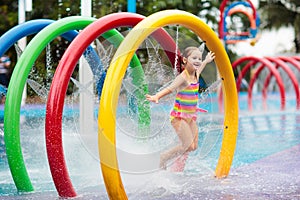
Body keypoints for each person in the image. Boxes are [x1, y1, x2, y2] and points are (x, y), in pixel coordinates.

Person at [146, 46, 215, 169]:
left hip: (190, 117)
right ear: (184, 60)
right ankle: (164, 157)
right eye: (194, 58)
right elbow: (170, 88)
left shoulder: (196, 76)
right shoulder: (182, 78)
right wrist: (157, 96)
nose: (198, 60)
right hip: (179, 117)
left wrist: (206, 60)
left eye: (199, 58)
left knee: (193, 147)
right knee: (187, 145)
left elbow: (200, 68)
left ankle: (173, 158)